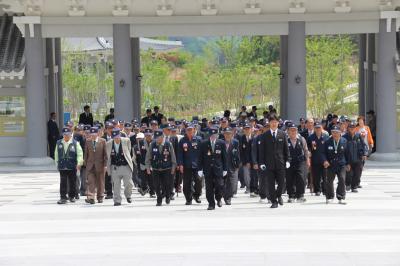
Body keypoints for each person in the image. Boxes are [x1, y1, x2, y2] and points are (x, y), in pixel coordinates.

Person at [257, 114, 291, 208]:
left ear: (278, 123)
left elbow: (286, 149)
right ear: (269, 123)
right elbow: (262, 151)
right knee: (270, 184)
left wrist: (288, 160)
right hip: (269, 164)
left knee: (281, 184)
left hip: (280, 163)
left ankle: (279, 195)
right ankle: (274, 201)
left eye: (275, 122)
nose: (274, 124)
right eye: (272, 122)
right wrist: (261, 163)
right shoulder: (264, 135)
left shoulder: (282, 134)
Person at [198, 127, 228, 210]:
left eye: (215, 135)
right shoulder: (204, 143)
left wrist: (225, 169)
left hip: (218, 168)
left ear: (217, 135)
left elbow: (224, 157)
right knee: (209, 188)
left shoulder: (221, 143)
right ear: (209, 135)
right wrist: (199, 169)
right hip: (208, 169)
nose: (213, 136)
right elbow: (200, 157)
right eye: (211, 135)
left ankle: (218, 198)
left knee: (219, 186)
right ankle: (211, 203)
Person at [145, 130, 177, 206]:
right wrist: (148, 168)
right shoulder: (152, 145)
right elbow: (148, 157)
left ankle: (168, 196)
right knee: (156, 185)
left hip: (167, 168)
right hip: (156, 168)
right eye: (156, 138)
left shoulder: (168, 144)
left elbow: (173, 157)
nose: (157, 139)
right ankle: (159, 199)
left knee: (167, 184)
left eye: (158, 137)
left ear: (162, 137)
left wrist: (173, 168)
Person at [106, 128, 134, 206]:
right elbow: (108, 156)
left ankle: (128, 195)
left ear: (120, 135)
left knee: (129, 183)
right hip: (115, 167)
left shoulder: (126, 141)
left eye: (118, 136)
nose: (116, 138)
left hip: (125, 166)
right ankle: (117, 200)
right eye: (114, 137)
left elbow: (129, 150)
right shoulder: (108, 144)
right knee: (116, 185)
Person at [55, 127, 83, 204]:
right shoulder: (59, 143)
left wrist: (79, 163)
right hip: (62, 165)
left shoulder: (75, 143)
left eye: (68, 134)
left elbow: (80, 154)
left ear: (71, 134)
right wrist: (56, 163)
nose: (66, 136)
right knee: (63, 182)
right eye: (64, 134)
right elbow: (56, 154)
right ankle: (63, 197)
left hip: (72, 165)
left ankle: (72, 196)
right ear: (62, 135)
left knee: (72, 182)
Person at [177, 123, 203, 205]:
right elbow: (179, 154)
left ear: (194, 130)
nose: (189, 131)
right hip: (186, 165)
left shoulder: (198, 139)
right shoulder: (182, 141)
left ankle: (197, 195)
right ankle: (188, 198)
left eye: (191, 129)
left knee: (199, 181)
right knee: (186, 183)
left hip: (197, 165)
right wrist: (180, 164)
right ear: (185, 131)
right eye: (188, 130)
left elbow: (202, 152)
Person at [323, 125, 349, 205]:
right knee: (329, 181)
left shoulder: (344, 141)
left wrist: (348, 163)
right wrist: (325, 161)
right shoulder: (327, 142)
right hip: (331, 164)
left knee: (342, 179)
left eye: (336, 132)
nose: (335, 134)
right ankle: (330, 197)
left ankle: (341, 196)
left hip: (341, 164)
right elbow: (323, 153)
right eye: (333, 132)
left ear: (340, 132)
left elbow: (347, 153)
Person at [286, 123, 309, 203]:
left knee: (301, 177)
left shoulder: (301, 139)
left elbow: (306, 150)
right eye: (291, 130)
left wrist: (308, 160)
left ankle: (300, 195)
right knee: (289, 178)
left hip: (300, 161)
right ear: (288, 131)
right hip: (289, 162)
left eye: (294, 130)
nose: (293, 132)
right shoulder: (285, 139)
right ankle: (291, 196)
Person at [84, 127, 108, 204]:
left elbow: (105, 155)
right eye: (92, 134)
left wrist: (105, 165)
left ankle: (100, 196)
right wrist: (85, 164)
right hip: (90, 165)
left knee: (100, 181)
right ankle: (91, 197)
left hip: (100, 165)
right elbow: (86, 154)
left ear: (97, 133)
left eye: (94, 134)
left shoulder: (103, 141)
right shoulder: (88, 141)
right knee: (91, 181)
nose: (93, 136)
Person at [343, 122, 368, 193]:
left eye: (353, 127)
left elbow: (364, 146)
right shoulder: (344, 137)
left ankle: (354, 187)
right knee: (349, 173)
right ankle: (348, 184)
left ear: (355, 128)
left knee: (357, 174)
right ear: (348, 128)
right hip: (348, 159)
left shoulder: (358, 136)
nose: (352, 129)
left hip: (358, 158)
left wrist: (365, 154)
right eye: (350, 127)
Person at [307, 122, 329, 196]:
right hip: (315, 159)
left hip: (324, 160)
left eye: (319, 128)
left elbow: (328, 149)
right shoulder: (311, 137)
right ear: (314, 128)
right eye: (316, 128)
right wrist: (309, 152)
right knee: (316, 177)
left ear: (321, 128)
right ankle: (317, 190)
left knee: (325, 176)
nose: (318, 129)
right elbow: (308, 147)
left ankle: (325, 190)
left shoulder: (326, 137)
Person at [223, 127, 241, 205]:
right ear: (224, 134)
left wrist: (237, 164)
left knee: (231, 182)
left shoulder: (235, 142)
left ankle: (228, 198)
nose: (227, 135)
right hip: (222, 166)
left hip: (232, 165)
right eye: (226, 134)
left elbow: (237, 154)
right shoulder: (220, 142)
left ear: (232, 134)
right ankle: (222, 195)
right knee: (222, 183)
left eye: (229, 134)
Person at [136, 129, 156, 198]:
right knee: (143, 179)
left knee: (151, 179)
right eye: (146, 135)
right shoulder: (141, 142)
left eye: (149, 135)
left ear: (152, 135)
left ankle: (152, 192)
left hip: (152, 163)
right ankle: (144, 188)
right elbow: (140, 152)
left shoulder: (154, 142)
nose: (148, 136)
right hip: (143, 163)